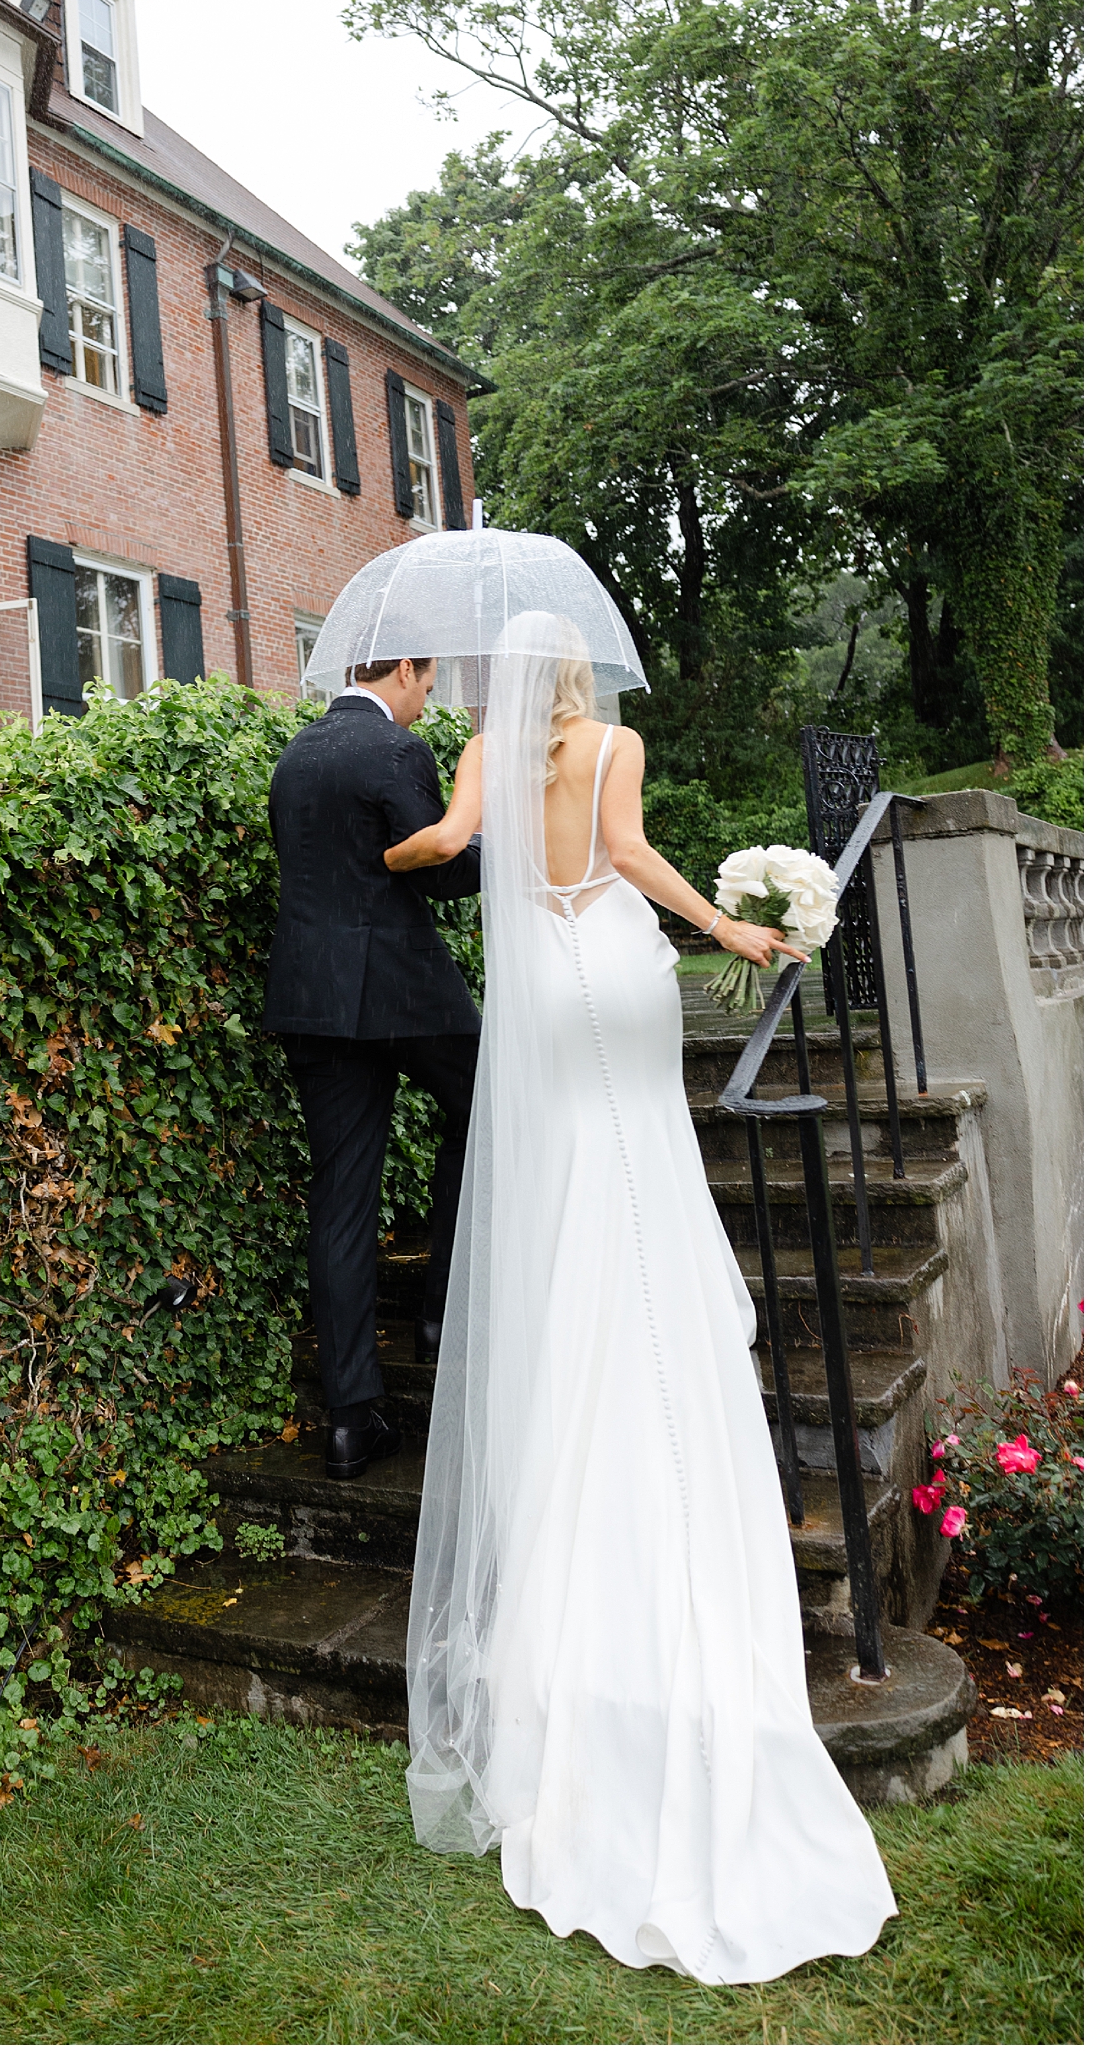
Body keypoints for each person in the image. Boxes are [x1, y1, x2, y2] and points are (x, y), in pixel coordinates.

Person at [388, 611, 896, 1983]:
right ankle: (652, 1352)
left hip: (536, 988)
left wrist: (375, 858)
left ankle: (584, 1358)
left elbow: (441, 851)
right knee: (637, 1151)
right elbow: (623, 858)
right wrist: (730, 922)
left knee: (564, 1176)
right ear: (584, 670)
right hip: (610, 965)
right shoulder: (611, 740)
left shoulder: (482, 756)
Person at [264, 655, 482, 1482]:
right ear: (399, 669)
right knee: (482, 1104)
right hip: (400, 995)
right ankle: (440, 1315)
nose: (428, 697)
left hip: (311, 1001)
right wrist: (510, 846)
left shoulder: (295, 756)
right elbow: (441, 871)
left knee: (342, 1196)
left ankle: (351, 1419)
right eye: (427, 682)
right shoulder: (393, 750)